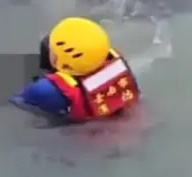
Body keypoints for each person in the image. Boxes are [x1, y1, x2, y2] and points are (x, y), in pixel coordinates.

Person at [10, 16, 142, 125]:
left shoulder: (45, 90)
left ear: (64, 63)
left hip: (88, 138)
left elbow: (16, 104)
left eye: (52, 49)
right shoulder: (114, 60)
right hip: (132, 120)